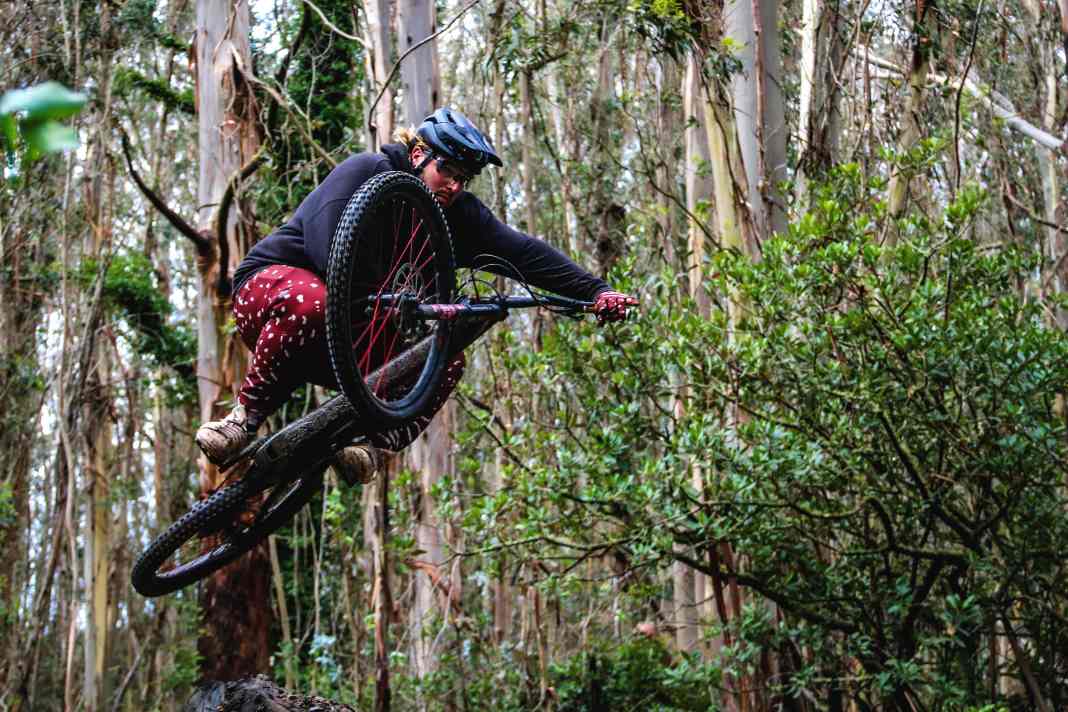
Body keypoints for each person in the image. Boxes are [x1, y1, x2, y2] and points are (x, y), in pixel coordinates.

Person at [196, 108, 638, 483]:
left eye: (464, 178)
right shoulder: (367, 171)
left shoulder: (457, 215)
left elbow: (523, 253)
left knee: (445, 356)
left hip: (348, 336)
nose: (454, 185)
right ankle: (242, 421)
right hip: (274, 294)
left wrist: (596, 292)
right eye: (447, 170)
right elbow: (325, 246)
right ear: (418, 154)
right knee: (316, 300)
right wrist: (381, 301)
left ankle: (371, 451)